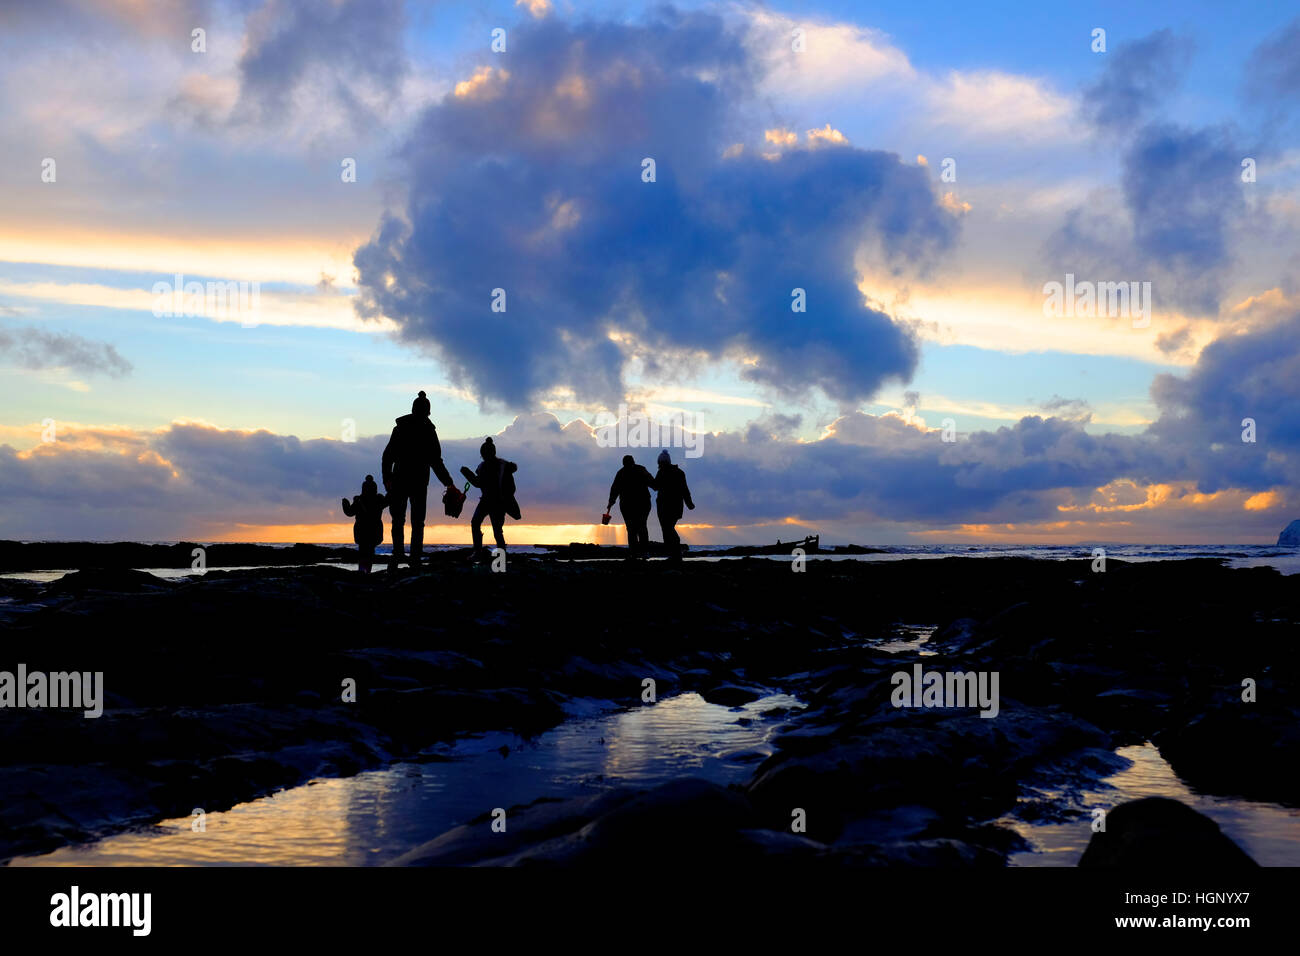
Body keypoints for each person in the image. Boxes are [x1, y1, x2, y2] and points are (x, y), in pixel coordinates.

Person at [381, 390, 455, 570]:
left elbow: (387, 456)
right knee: (415, 522)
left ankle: (401, 556)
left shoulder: (401, 428)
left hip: (402, 479)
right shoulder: (427, 431)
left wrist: (387, 478)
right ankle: (411, 558)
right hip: (417, 482)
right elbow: (436, 461)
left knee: (399, 520)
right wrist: (448, 482)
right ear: (427, 411)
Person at [460, 437, 519, 559]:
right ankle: (478, 552)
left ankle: (500, 555)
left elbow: (511, 488)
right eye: (484, 454)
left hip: (498, 502)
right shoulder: (482, 467)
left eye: (486, 453)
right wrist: (467, 473)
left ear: (491, 453)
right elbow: (478, 483)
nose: (485, 456)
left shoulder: (503, 466)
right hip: (486, 500)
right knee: (476, 523)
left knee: (496, 529)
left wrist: (504, 498)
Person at [607, 454, 656, 560]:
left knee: (631, 528)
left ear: (624, 463)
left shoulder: (621, 473)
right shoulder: (641, 470)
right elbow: (653, 484)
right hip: (642, 504)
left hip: (628, 505)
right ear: (633, 461)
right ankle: (644, 552)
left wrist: (611, 502)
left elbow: (614, 489)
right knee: (641, 527)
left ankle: (634, 553)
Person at [341, 474, 387, 574]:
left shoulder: (359, 500)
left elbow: (349, 512)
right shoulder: (378, 500)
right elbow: (388, 501)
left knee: (363, 551)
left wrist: (345, 503)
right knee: (370, 551)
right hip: (374, 529)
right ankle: (367, 571)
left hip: (361, 530)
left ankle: (362, 571)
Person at [653, 449, 694, 562]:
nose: (659, 465)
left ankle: (675, 554)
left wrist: (647, 480)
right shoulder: (679, 473)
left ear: (661, 462)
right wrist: (689, 503)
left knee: (667, 529)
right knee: (668, 528)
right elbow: (685, 490)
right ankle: (675, 554)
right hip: (676, 506)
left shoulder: (661, 472)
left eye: (660, 463)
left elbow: (655, 486)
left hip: (664, 506)